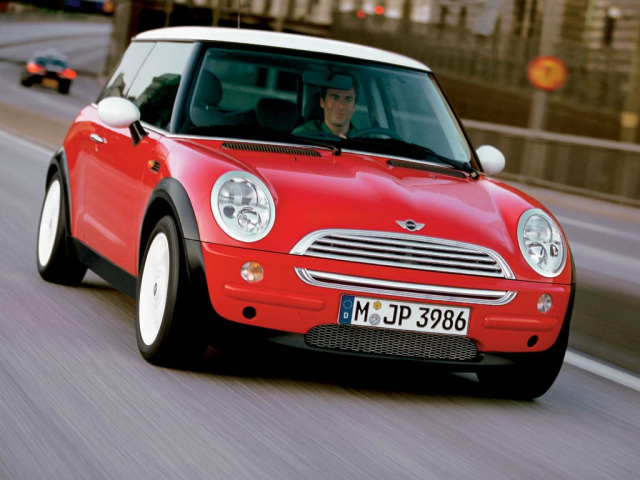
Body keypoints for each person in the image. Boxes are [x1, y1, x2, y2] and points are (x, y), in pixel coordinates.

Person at [293, 82, 357, 139]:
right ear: (322, 102)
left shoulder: (361, 139)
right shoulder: (303, 135)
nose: (341, 106)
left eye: (348, 100)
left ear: (354, 106)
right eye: (334, 98)